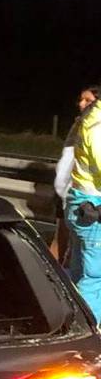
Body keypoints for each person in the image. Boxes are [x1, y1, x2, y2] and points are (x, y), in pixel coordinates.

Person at [67, 88, 101, 317]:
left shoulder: (90, 120)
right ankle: (89, 330)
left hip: (81, 203)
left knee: (78, 272)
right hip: (91, 207)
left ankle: (70, 319)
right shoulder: (98, 126)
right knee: (94, 276)